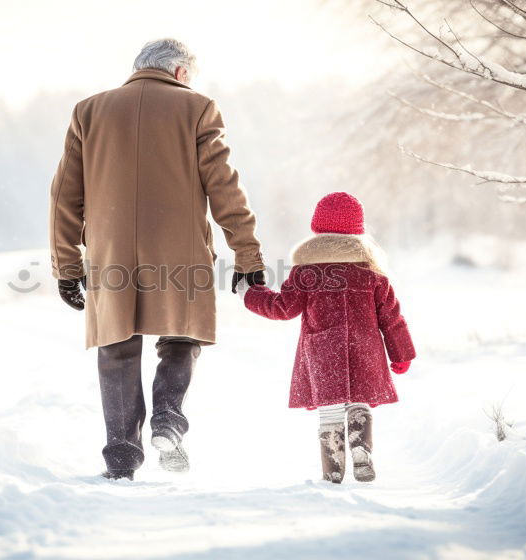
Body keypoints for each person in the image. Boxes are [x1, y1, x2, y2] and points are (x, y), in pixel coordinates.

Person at [49, 38, 266, 480]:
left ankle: (122, 458)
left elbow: (64, 198)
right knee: (182, 337)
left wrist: (66, 265)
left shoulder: (88, 111)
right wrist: (247, 253)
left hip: (111, 254)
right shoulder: (198, 108)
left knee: (117, 349)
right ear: (181, 73)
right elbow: (225, 187)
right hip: (180, 251)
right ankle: (168, 419)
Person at [239, 192, 415, 483]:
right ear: (358, 229)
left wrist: (251, 294)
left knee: (330, 413)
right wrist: (402, 353)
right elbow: (391, 316)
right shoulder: (371, 271)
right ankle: (361, 449)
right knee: (360, 402)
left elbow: (283, 308)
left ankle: (332, 472)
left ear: (317, 227)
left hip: (323, 352)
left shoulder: (307, 271)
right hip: (365, 348)